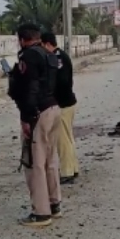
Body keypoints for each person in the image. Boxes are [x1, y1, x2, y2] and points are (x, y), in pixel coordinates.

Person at [7, 23, 62, 227]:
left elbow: (29, 89)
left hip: (38, 113)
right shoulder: (49, 55)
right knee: (51, 159)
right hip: (54, 109)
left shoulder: (28, 56)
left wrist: (26, 118)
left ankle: (41, 213)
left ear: (22, 39)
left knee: (35, 163)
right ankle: (54, 203)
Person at [40, 32, 79, 184]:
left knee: (62, 140)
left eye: (42, 46)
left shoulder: (58, 58)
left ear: (47, 44)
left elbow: (61, 82)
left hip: (63, 104)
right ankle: (73, 168)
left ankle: (67, 172)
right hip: (68, 102)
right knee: (68, 139)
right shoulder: (59, 56)